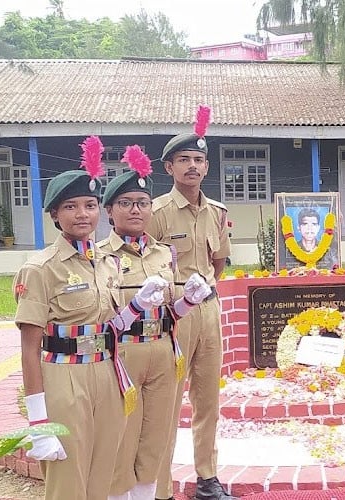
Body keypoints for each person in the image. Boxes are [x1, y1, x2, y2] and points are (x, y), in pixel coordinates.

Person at [13, 136, 168, 500]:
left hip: (107, 372)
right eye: (71, 206)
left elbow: (109, 326)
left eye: (89, 205)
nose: (82, 214)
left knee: (104, 476)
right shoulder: (40, 269)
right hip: (64, 376)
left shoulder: (107, 261)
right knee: (69, 481)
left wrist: (138, 306)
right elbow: (28, 350)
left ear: (100, 211)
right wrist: (38, 421)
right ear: (55, 214)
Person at [98, 145, 213, 500]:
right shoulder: (100, 256)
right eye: (126, 203)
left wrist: (188, 301)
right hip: (124, 357)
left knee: (154, 442)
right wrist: (133, 308)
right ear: (110, 210)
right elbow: (101, 325)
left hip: (163, 353)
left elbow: (169, 314)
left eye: (142, 203)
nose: (136, 210)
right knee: (122, 443)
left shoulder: (164, 254)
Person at [148, 107, 236, 500]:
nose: (192, 166)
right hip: (172, 313)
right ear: (169, 167)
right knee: (168, 399)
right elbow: (146, 264)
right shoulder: (156, 213)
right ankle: (161, 485)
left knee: (207, 397)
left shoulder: (217, 212)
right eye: (184, 160)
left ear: (207, 166)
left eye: (199, 160)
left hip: (209, 310)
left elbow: (219, 261)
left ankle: (207, 477)